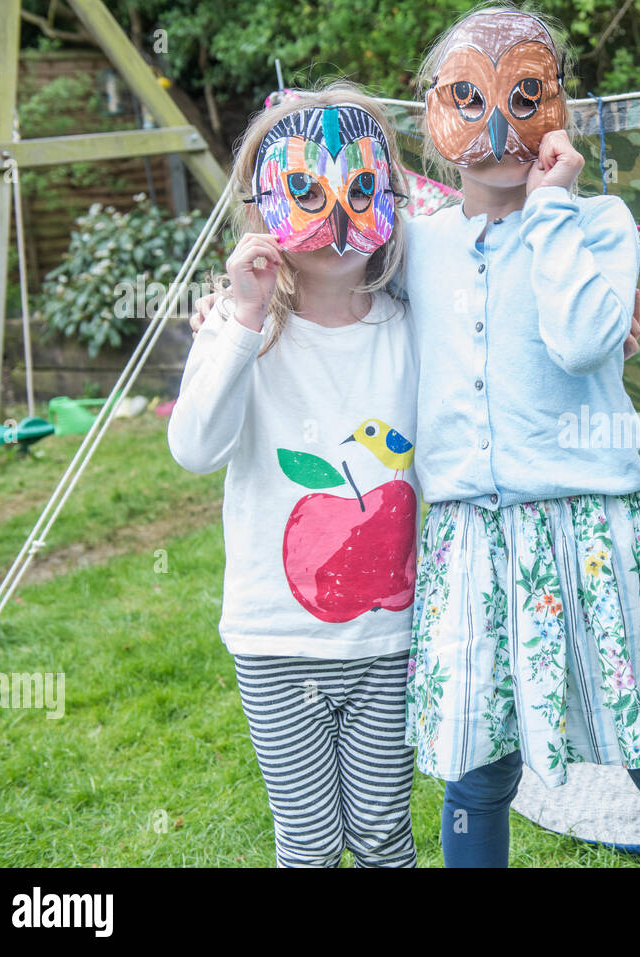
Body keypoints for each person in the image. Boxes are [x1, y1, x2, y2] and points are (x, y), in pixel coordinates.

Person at [402, 4, 640, 867]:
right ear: (433, 117)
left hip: (593, 539)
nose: (497, 125)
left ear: (559, 108)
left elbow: (584, 339)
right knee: (477, 775)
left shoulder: (598, 224)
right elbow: (327, 289)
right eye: (467, 96)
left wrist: (550, 207)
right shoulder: (413, 246)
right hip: (474, 543)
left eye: (524, 96)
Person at [168, 83, 420, 867]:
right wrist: (242, 320)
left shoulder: (415, 328)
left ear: (391, 196)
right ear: (264, 204)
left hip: (390, 634)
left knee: (384, 834)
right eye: (306, 190)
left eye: (362, 189)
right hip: (277, 639)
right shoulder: (240, 329)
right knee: (307, 841)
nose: (338, 218)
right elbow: (195, 448)